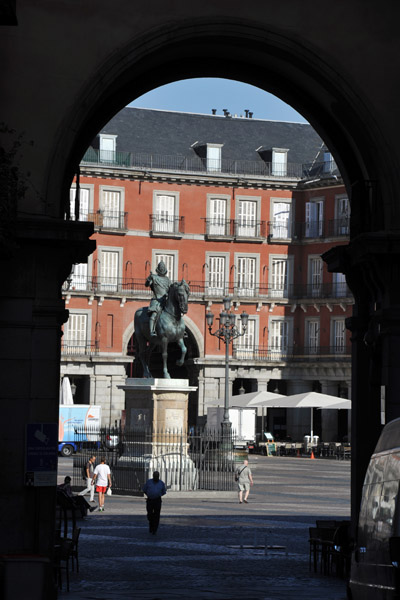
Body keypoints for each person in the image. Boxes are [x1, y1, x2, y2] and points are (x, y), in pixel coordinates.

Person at [145, 261, 171, 336]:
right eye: (161, 267)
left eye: (163, 267)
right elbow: (146, 285)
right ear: (158, 269)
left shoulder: (168, 280)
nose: (162, 269)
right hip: (156, 300)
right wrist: (149, 278)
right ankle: (151, 330)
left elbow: (171, 289)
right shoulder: (154, 277)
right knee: (154, 314)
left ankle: (181, 330)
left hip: (166, 300)